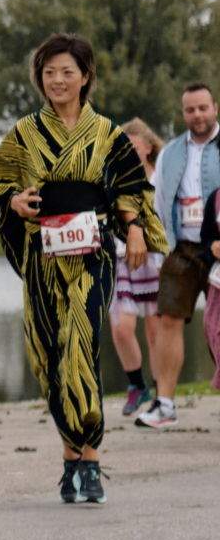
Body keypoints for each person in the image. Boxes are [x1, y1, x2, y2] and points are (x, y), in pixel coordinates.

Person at [0, 34, 166, 504]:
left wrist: (135, 229)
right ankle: (73, 461)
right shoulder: (23, 134)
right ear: (39, 78)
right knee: (49, 354)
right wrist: (14, 201)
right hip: (42, 255)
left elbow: (131, 187)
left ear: (85, 76)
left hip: (92, 254)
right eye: (49, 73)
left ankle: (92, 459)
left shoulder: (107, 134)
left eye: (67, 72)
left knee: (79, 344)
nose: (58, 80)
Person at [142, 85, 220, 428]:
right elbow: (158, 202)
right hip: (182, 248)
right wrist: (162, 248)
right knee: (168, 320)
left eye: (203, 108)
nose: (197, 115)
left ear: (215, 108)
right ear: (183, 113)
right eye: (190, 110)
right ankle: (165, 404)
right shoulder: (170, 153)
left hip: (219, 250)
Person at [108, 119, 165, 415]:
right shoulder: (113, 180)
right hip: (122, 259)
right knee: (121, 327)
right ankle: (137, 385)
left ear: (148, 147)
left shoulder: (161, 179)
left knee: (156, 331)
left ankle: (160, 393)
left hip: (155, 260)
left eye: (132, 146)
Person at [200, 186, 220, 389]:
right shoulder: (216, 197)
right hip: (218, 284)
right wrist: (212, 246)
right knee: (212, 328)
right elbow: (206, 237)